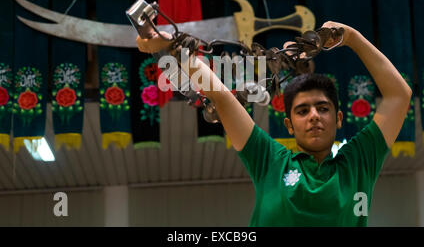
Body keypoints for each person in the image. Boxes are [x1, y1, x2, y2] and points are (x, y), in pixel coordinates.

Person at [136, 21, 412, 226]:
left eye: (323, 108)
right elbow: (218, 93)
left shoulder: (357, 163)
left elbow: (399, 95)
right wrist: (169, 46)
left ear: (339, 119)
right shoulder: (270, 160)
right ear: (289, 126)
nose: (314, 115)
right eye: (303, 111)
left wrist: (352, 37)